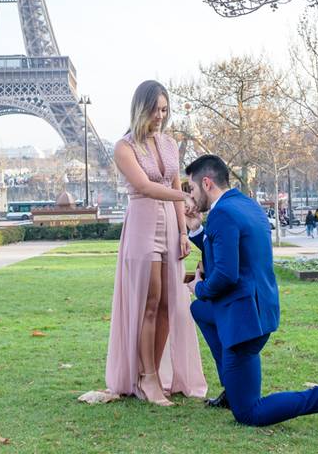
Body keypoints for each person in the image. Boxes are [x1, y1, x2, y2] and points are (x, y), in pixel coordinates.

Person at [184, 154, 318, 432]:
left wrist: (197, 286)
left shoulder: (222, 214)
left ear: (207, 183)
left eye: (192, 188)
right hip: (260, 310)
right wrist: (197, 229)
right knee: (200, 310)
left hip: (243, 321)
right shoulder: (246, 205)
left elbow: (225, 274)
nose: (191, 196)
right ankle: (232, 388)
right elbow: (229, 250)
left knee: (248, 412)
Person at [105, 80, 207, 405]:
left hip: (168, 227)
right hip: (142, 225)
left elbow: (174, 183)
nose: (161, 116)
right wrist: (185, 195)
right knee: (149, 302)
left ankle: (155, 374)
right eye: (155, 109)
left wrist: (182, 232)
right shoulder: (124, 147)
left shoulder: (169, 144)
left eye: (165, 109)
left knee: (167, 303)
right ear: (140, 108)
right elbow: (146, 187)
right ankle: (146, 377)